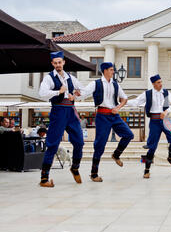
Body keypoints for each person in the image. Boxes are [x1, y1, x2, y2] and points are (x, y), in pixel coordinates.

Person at [79, 62, 134, 182]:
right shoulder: (96, 83)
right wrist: (75, 93)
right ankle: (94, 174)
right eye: (111, 70)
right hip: (102, 115)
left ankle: (116, 155)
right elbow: (83, 93)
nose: (113, 72)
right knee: (100, 144)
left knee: (129, 135)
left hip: (114, 115)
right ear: (104, 71)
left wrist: (118, 108)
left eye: (113, 70)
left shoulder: (115, 84)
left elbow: (124, 99)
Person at [38, 51, 84, 188]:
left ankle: (75, 167)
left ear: (63, 62)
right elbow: (42, 93)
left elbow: (83, 89)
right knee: (52, 144)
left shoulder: (71, 77)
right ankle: (44, 178)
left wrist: (75, 95)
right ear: (52, 64)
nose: (58, 65)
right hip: (58, 111)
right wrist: (59, 91)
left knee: (79, 142)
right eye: (55, 63)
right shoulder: (49, 78)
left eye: (60, 62)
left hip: (70, 111)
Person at [127, 74, 171, 179]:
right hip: (154, 121)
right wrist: (124, 101)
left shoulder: (166, 92)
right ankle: (147, 170)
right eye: (158, 82)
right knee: (152, 147)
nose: (161, 84)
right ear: (154, 84)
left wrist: (166, 111)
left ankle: (170, 158)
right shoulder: (148, 93)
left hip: (165, 120)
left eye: (161, 82)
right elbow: (136, 102)